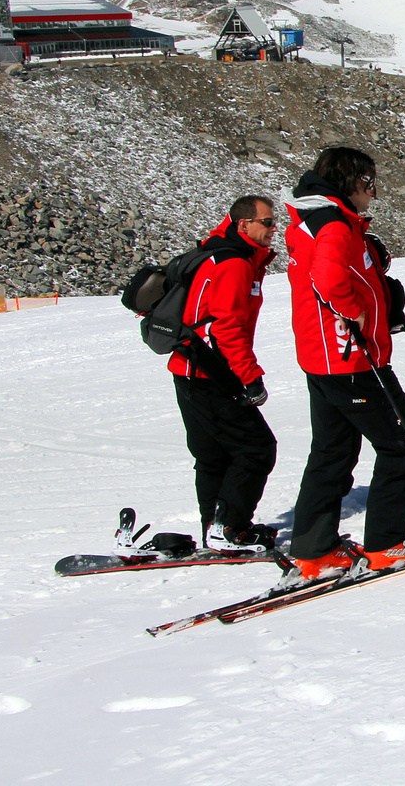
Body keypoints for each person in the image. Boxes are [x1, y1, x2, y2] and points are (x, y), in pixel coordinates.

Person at [285, 147, 405, 578]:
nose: (374, 191)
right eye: (370, 183)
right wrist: (357, 311)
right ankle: (389, 541)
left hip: (323, 358)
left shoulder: (313, 218)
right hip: (351, 359)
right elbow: (330, 280)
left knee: (332, 453)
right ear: (353, 182)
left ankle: (315, 548)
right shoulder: (333, 223)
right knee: (401, 444)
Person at [168, 195, 279, 551]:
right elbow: (226, 328)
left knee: (213, 455)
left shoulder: (216, 251)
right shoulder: (234, 264)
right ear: (243, 224)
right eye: (267, 222)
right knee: (256, 448)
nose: (273, 229)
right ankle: (229, 528)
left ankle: (216, 528)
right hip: (211, 372)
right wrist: (250, 377)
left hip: (188, 367)